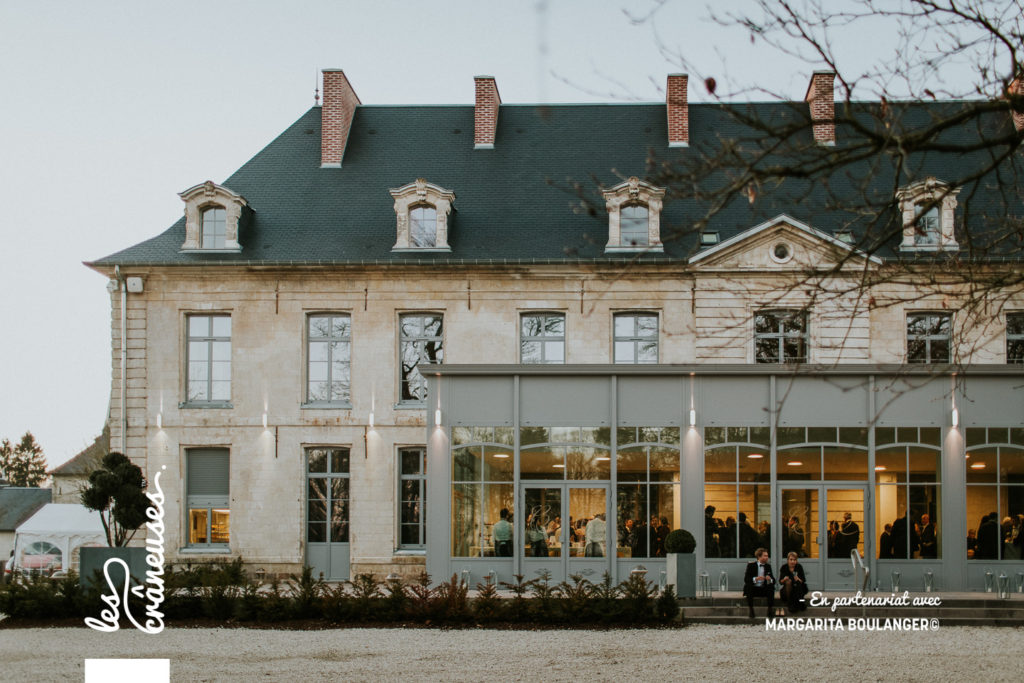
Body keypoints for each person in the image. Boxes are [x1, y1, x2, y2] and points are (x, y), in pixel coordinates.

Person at [743, 547, 776, 619]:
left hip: (763, 588)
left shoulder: (768, 566)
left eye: (767, 556)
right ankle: (751, 610)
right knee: (748, 587)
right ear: (759, 556)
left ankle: (770, 610)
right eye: (765, 556)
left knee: (771, 588)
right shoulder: (751, 565)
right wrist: (755, 579)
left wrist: (770, 579)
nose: (767, 557)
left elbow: (774, 581)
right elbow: (746, 579)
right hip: (754, 588)